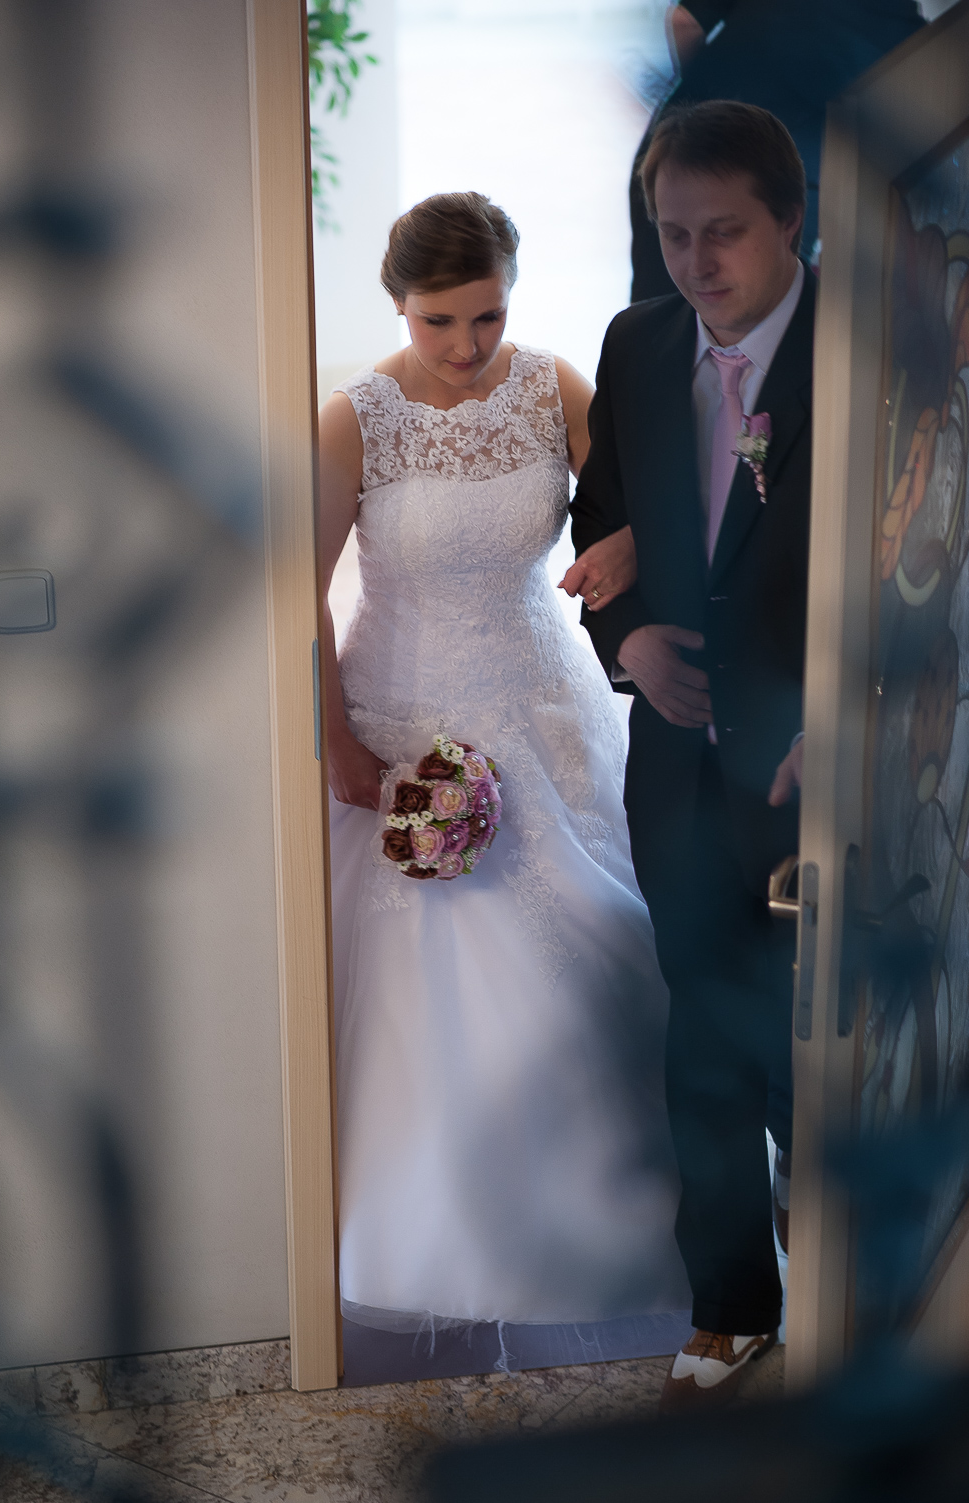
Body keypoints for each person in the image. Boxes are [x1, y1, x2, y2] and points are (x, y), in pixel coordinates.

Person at [319, 192, 688, 1334]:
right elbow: (292, 595)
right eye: (439, 321)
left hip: (547, 710)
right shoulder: (356, 418)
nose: (467, 346)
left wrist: (627, 542)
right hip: (403, 721)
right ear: (399, 304)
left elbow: (653, 503)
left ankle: (610, 1240)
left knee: (601, 962)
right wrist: (337, 739)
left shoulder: (552, 386)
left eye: (488, 315)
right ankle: (432, 1249)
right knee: (431, 994)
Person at [570, 101, 813, 1410]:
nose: (696, 262)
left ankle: (854, 1297)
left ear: (790, 221)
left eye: (725, 232)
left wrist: (852, 718)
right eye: (673, 234)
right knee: (704, 1045)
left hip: (821, 780)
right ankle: (728, 1313)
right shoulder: (638, 341)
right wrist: (627, 641)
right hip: (675, 772)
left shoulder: (872, 347)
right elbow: (603, 516)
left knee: (818, 1054)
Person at [629, 0, 925, 300]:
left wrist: (707, 108)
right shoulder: (901, 31)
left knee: (658, 312)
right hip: (758, 179)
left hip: (671, 147)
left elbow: (684, 22)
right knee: (757, 309)